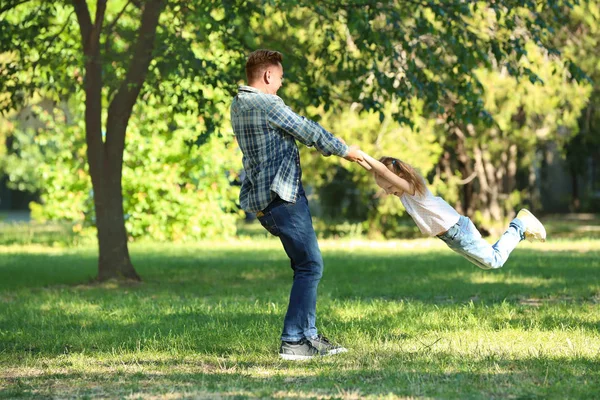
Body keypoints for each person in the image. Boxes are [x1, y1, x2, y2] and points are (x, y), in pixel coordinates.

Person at [230, 49, 364, 360]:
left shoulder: (239, 104)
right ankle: (293, 341)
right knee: (310, 266)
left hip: (265, 199)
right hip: (283, 198)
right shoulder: (267, 103)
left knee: (305, 265)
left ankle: (309, 336)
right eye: (279, 78)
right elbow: (307, 130)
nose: (280, 84)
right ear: (267, 76)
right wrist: (345, 150)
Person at [359, 152, 546, 270]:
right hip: (450, 236)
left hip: (458, 230)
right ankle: (521, 231)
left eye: (389, 187)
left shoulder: (412, 188)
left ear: (398, 177)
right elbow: (377, 171)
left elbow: (383, 172)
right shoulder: (403, 194)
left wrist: (361, 153)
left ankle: (520, 224)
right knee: (487, 264)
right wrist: (350, 155)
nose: (388, 192)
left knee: (494, 261)